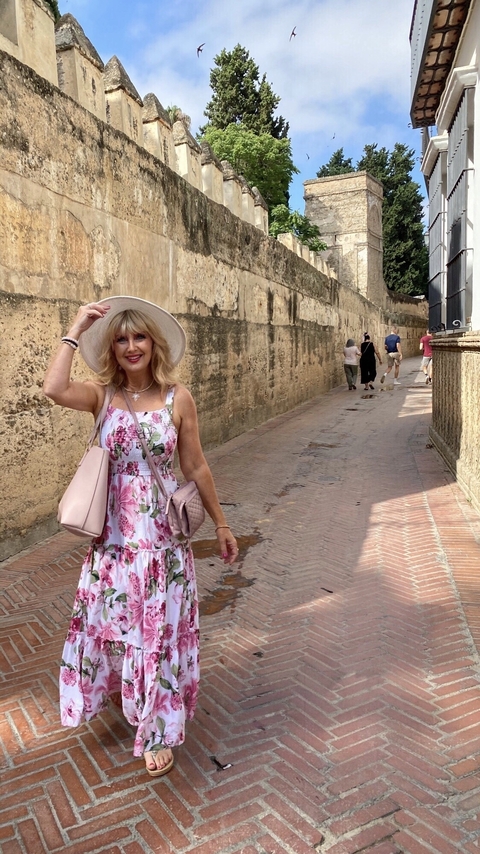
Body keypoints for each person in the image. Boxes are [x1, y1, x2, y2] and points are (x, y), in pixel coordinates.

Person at [43, 296, 238, 778]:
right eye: (122, 338)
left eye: (140, 337)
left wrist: (222, 523)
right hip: (114, 541)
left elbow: (194, 465)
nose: (132, 346)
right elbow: (53, 387)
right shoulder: (102, 396)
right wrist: (76, 328)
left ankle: (154, 727)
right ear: (113, 347)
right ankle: (127, 693)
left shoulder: (178, 398)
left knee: (159, 636)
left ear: (154, 344)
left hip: (164, 543)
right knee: (116, 628)